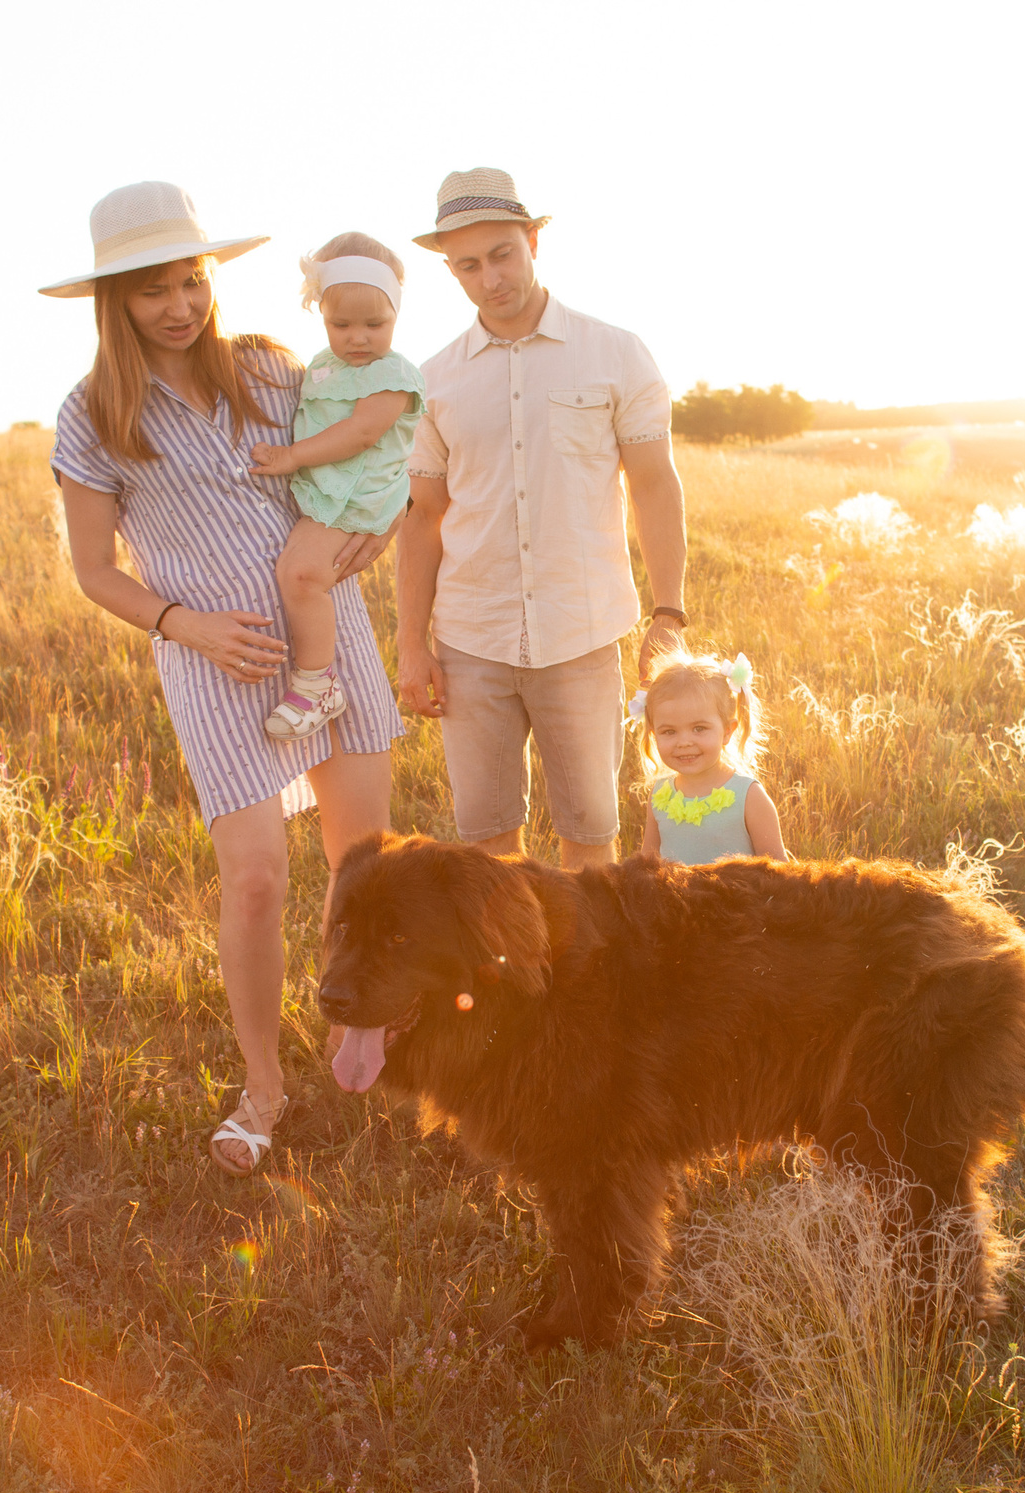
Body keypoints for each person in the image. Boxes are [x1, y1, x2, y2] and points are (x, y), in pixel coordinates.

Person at [41, 181, 400, 1176]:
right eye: (152, 289)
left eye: (190, 281)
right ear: (114, 300)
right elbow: (94, 570)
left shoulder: (271, 371)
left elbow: (375, 440)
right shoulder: (91, 414)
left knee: (362, 868)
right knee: (252, 880)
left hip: (329, 642)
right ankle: (264, 1086)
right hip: (216, 661)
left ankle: (364, 1046)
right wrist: (187, 624)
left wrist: (384, 522)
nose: (179, 305)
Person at [396, 167, 688, 869]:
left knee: (590, 837)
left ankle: (584, 950)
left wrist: (669, 611)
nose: (490, 277)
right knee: (489, 846)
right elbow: (423, 517)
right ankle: (514, 950)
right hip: (471, 638)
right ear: (450, 269)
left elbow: (654, 484)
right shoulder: (432, 379)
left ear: (532, 240)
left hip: (581, 630)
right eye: (468, 265)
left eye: (502, 254)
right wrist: (410, 641)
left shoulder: (614, 352)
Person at [246, 233, 425, 741]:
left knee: (301, 576)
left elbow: (361, 432)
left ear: (396, 314)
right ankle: (314, 677)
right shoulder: (325, 365)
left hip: (359, 496)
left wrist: (291, 457)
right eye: (340, 324)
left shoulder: (393, 374)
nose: (358, 338)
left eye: (375, 324)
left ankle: (317, 684)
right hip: (330, 491)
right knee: (296, 571)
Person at [632, 652, 789, 863]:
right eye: (669, 731)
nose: (684, 742)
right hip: (674, 887)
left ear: (727, 731)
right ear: (653, 733)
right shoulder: (660, 795)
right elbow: (646, 867)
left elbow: (779, 872)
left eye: (699, 728)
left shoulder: (749, 797)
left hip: (736, 886)